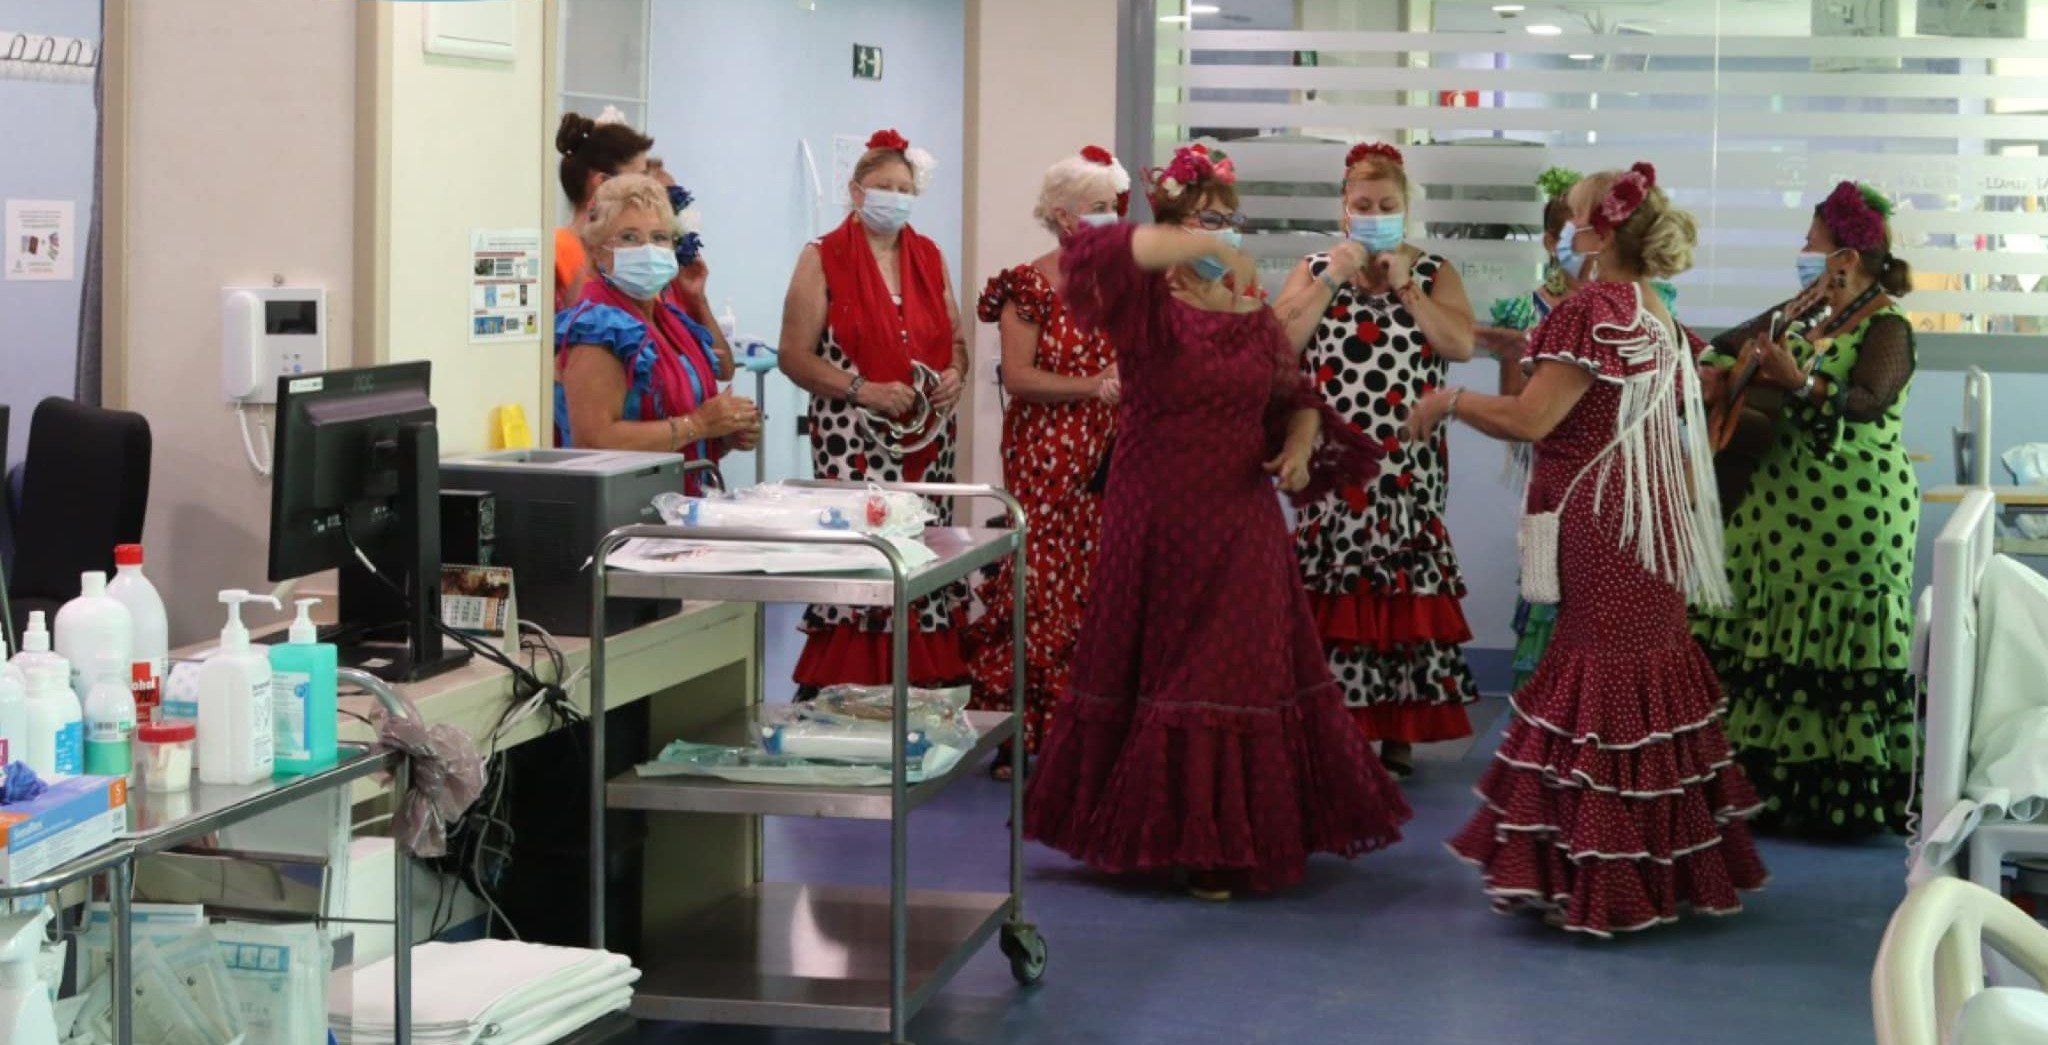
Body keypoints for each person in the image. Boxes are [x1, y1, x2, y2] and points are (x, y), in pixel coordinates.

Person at [1024, 143, 1410, 901]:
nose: (1224, 236)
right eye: (1208, 222)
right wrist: (1196, 241)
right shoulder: (1146, 307)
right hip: (1155, 519)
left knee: (1225, 670)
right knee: (1161, 667)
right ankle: (1157, 832)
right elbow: (1096, 249)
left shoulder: (1256, 318)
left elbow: (1292, 399)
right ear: (1174, 227)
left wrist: (1300, 448)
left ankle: (1219, 843)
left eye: (1231, 224)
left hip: (1240, 524)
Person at [1411, 163, 1767, 936]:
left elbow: (1533, 420)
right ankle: (1654, 867)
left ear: (1599, 233)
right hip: (1650, 519)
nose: (1567, 230)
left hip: (1602, 521)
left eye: (1574, 216)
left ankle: (1596, 871)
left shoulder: (1589, 311)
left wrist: (1450, 401)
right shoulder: (1653, 311)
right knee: (1645, 676)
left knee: (1600, 684)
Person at [1692, 180, 1920, 838]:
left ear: (1845, 258)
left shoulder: (1888, 325)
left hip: (1850, 517)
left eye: (1810, 242)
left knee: (1831, 651)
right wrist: (1715, 373)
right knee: (1761, 634)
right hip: (1775, 516)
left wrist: (1804, 384)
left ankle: (1831, 803)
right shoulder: (1799, 312)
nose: (1801, 251)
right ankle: (1759, 789)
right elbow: (1727, 343)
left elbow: (1869, 399)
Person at [1271, 141, 1479, 776]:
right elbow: (1278, 343)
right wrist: (1333, 276)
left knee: (1400, 596)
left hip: (1408, 467)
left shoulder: (1435, 270)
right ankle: (1333, 727)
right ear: (1343, 210)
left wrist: (1408, 289)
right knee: (1332, 592)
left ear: (1406, 208)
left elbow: (1462, 345)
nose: (1374, 213)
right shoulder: (1313, 268)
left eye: (1387, 205)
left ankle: (1399, 734)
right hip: (1331, 460)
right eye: (1362, 205)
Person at [777, 129, 972, 693]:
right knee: (867, 554)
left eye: (904, 188)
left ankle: (926, 681)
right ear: (856, 191)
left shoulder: (929, 256)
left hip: (927, 443)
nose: (894, 196)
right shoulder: (822, 258)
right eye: (882, 186)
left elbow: (955, 338)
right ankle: (849, 683)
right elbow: (794, 356)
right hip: (855, 441)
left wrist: (955, 374)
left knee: (923, 550)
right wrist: (862, 388)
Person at [961, 146, 1129, 778]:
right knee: (1039, 587)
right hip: (1045, 456)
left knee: (1100, 586)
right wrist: (1092, 386)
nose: (1109, 219)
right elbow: (1021, 376)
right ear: (1062, 216)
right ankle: (1022, 731)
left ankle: (1093, 732)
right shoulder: (1027, 285)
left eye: (1113, 208)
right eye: (1095, 209)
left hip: (1113, 456)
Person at [555, 176, 760, 492]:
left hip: (684, 500)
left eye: (659, 237)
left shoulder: (668, 320)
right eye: (629, 237)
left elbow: (710, 384)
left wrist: (723, 434)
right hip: (627, 510)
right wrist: (699, 424)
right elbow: (593, 440)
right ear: (596, 251)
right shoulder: (598, 329)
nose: (647, 249)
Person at [554, 109, 652, 309]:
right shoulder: (555, 250)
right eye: (640, 178)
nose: (651, 189)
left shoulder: (638, 253)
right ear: (602, 184)